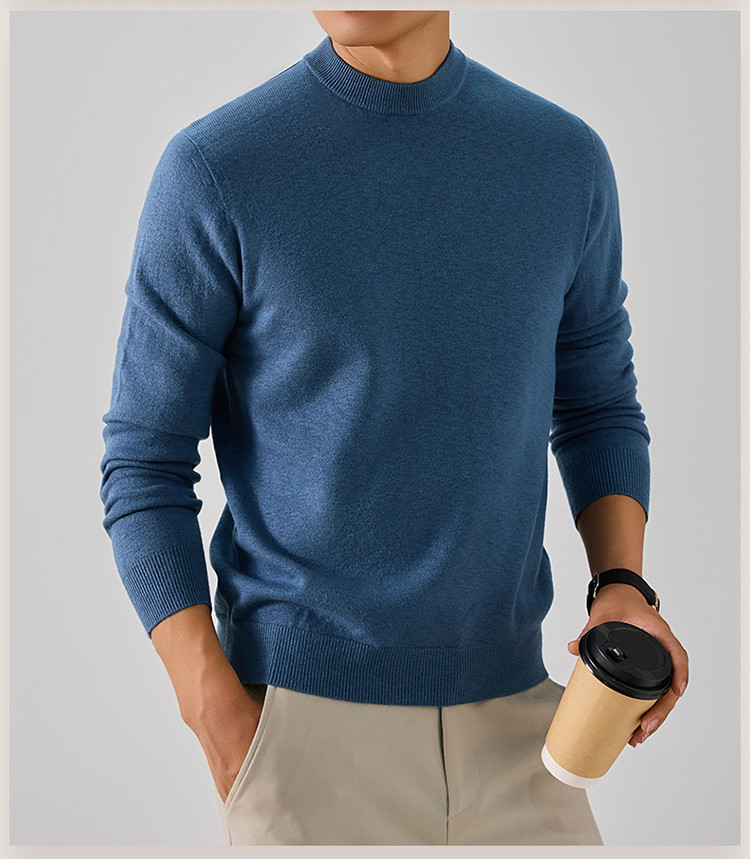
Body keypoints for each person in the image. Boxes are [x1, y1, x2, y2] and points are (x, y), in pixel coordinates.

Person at [99, 9, 689, 846]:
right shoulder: (218, 169)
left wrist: (622, 585)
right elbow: (143, 458)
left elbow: (598, 406)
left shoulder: (563, 161)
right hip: (303, 738)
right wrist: (216, 713)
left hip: (529, 729)